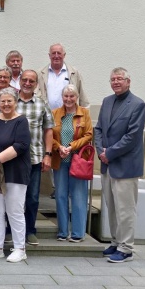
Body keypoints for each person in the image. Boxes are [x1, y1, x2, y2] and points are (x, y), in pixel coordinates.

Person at [94, 67, 145, 263]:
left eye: (119, 79)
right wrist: (101, 151)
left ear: (128, 81)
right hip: (108, 165)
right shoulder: (107, 102)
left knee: (126, 209)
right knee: (112, 207)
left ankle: (126, 248)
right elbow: (98, 129)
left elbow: (132, 136)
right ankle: (116, 241)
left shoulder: (138, 104)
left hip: (125, 166)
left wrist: (110, 152)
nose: (116, 82)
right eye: (113, 79)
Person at [0, 87, 31, 263]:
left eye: (9, 101)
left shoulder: (21, 121)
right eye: (3, 101)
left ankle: (19, 248)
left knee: (14, 211)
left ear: (15, 102)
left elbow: (21, 145)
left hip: (15, 173)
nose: (6, 104)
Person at [14, 70, 54, 246]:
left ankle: (30, 231)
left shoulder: (41, 103)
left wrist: (48, 155)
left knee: (32, 197)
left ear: (36, 84)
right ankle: (11, 230)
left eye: (31, 81)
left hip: (35, 157)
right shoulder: (11, 101)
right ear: (20, 81)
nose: (28, 83)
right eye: (25, 80)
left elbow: (48, 130)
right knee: (13, 197)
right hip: (13, 158)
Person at [51, 84, 93, 242]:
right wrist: (59, 147)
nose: (69, 99)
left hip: (78, 160)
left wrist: (70, 147)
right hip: (60, 159)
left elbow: (88, 135)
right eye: (66, 96)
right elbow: (49, 135)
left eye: (72, 96)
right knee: (60, 196)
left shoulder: (84, 113)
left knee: (78, 196)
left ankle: (77, 233)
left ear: (77, 97)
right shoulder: (54, 113)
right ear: (62, 97)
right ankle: (62, 232)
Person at [37, 43, 89, 110]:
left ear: (64, 55)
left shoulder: (74, 73)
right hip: (47, 116)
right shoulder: (40, 74)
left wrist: (85, 115)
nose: (56, 56)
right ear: (49, 56)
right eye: (53, 53)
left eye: (59, 53)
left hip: (69, 116)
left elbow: (82, 95)